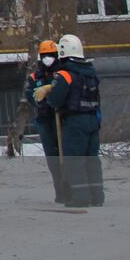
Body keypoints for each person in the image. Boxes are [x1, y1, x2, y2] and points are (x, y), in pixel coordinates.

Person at [35, 34, 103, 207]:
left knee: (74, 160)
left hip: (75, 121)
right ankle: (97, 197)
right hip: (93, 120)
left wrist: (50, 93)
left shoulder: (65, 74)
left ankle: (80, 198)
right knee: (92, 160)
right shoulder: (90, 71)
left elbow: (55, 100)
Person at [23, 40, 68, 203]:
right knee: (52, 157)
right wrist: (41, 101)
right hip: (44, 119)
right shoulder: (35, 77)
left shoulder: (62, 73)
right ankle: (60, 191)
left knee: (65, 154)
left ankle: (69, 189)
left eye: (51, 55)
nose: (48, 58)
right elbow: (30, 95)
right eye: (44, 55)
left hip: (61, 119)